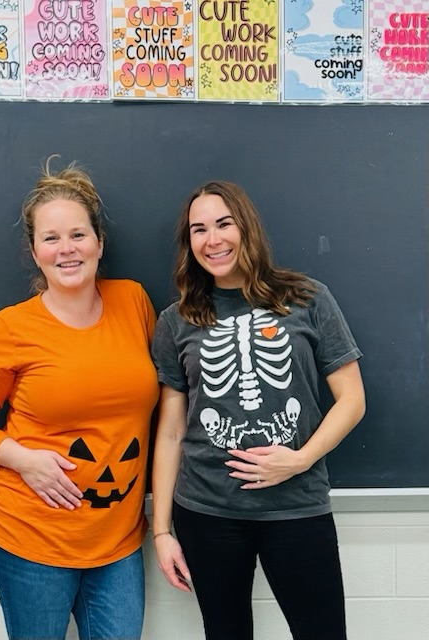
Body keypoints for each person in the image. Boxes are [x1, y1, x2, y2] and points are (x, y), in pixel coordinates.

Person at [0, 158, 159, 640]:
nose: (67, 249)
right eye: (51, 238)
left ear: (100, 243)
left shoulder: (134, 302)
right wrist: (23, 459)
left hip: (119, 543)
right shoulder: (8, 329)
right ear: (35, 251)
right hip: (29, 536)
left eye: (78, 235)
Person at [151, 180, 365, 640]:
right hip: (207, 509)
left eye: (224, 224)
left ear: (246, 226)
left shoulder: (307, 298)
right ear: (189, 243)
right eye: (199, 229)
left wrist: (301, 458)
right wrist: (162, 530)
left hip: (297, 505)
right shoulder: (175, 321)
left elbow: (351, 400)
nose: (214, 240)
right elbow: (170, 433)